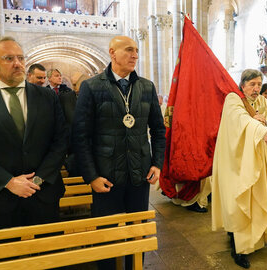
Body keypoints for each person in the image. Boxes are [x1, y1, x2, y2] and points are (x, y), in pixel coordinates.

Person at [72, 35, 165, 270]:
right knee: (107, 237)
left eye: (136, 50)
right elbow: (80, 137)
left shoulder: (146, 86)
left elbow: (158, 129)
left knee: (137, 233)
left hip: (138, 174)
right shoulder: (92, 86)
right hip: (106, 177)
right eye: (128, 50)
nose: (135, 55)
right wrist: (91, 176)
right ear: (112, 52)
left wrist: (157, 163)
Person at [0, 36, 69, 231]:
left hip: (42, 194)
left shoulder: (47, 96)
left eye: (21, 58)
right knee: (4, 258)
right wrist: (8, 182)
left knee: (45, 258)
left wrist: (36, 181)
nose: (18, 64)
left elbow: (60, 142)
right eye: (9, 58)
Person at [212, 69, 267, 269]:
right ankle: (238, 248)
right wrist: (259, 127)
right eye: (252, 84)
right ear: (243, 84)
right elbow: (240, 120)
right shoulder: (233, 99)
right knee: (239, 202)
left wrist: (266, 123)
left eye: (258, 84)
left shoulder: (262, 102)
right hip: (236, 162)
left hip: (256, 160)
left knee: (256, 199)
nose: (256, 89)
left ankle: (254, 238)